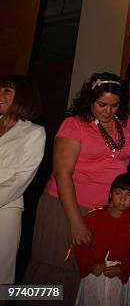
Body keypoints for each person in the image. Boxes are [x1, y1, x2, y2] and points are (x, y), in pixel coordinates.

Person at [23, 72, 130, 304]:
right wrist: (76, 221)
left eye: (114, 105)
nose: (108, 111)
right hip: (66, 207)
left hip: (110, 211)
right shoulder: (74, 124)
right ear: (90, 100)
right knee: (59, 276)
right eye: (102, 104)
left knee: (103, 276)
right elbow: (62, 173)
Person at [74, 173, 130, 306]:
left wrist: (121, 269)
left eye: (129, 195)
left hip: (118, 278)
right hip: (94, 275)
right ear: (110, 194)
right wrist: (90, 265)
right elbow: (80, 245)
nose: (123, 199)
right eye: (118, 193)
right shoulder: (93, 217)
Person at [0, 75, 45, 284]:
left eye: (7, 91)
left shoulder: (34, 133)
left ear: (22, 97)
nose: (0, 95)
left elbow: (20, 180)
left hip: (5, 211)